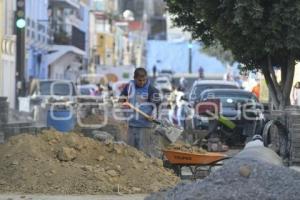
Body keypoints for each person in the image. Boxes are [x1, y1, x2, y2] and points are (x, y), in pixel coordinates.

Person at [119, 68, 162, 157]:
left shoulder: (151, 89)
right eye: (139, 80)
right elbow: (122, 99)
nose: (142, 82)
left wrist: (154, 115)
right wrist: (123, 103)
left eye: (144, 80)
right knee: (131, 154)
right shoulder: (129, 86)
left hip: (145, 127)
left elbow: (157, 105)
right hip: (131, 125)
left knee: (144, 154)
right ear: (134, 78)